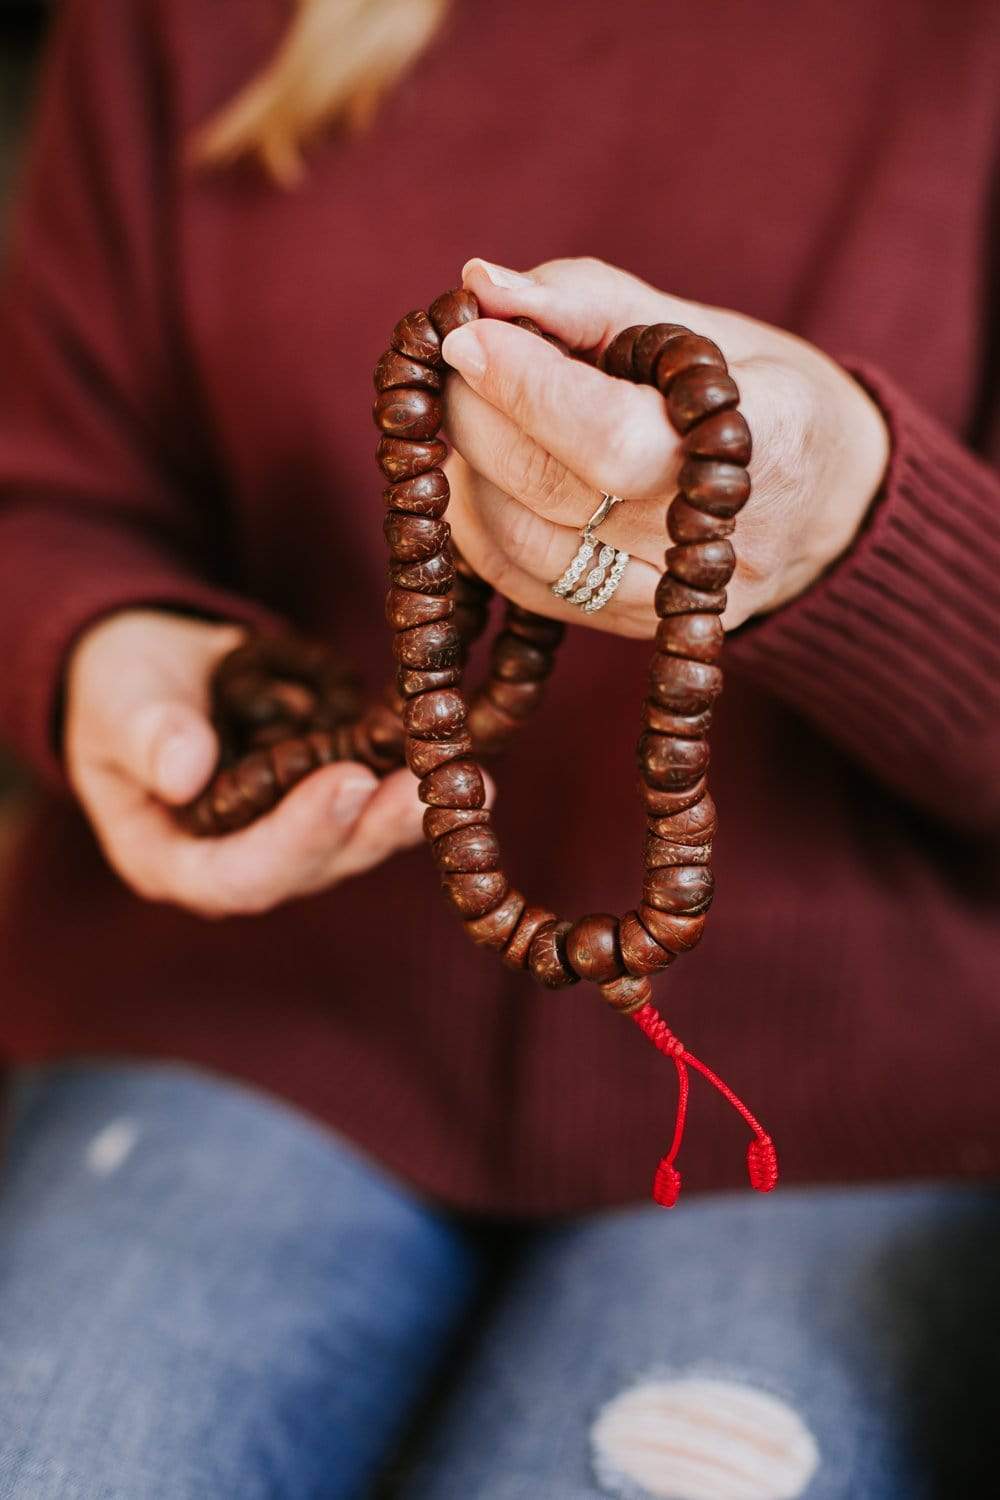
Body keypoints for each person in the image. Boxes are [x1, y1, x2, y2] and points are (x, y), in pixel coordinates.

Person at [0, 1, 998, 1494]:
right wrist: (99, 648)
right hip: (254, 1013)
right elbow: (50, 488)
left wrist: (855, 517)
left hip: (847, 1089)